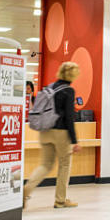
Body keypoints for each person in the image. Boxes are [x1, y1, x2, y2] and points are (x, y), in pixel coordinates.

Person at [23, 62, 82, 209]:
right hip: (61, 133)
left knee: (45, 165)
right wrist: (75, 141)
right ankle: (60, 200)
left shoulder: (49, 88)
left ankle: (25, 191)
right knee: (64, 165)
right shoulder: (68, 90)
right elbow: (69, 117)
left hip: (45, 131)